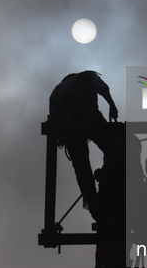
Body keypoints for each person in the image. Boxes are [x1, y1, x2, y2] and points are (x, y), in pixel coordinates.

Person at [49, 71, 118, 220]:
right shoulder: (86, 76)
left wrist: (61, 137)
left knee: (82, 168)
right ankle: (113, 177)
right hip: (90, 118)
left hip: (69, 129)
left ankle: (94, 204)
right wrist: (112, 105)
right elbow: (103, 89)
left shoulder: (56, 91)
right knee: (114, 149)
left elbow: (53, 124)